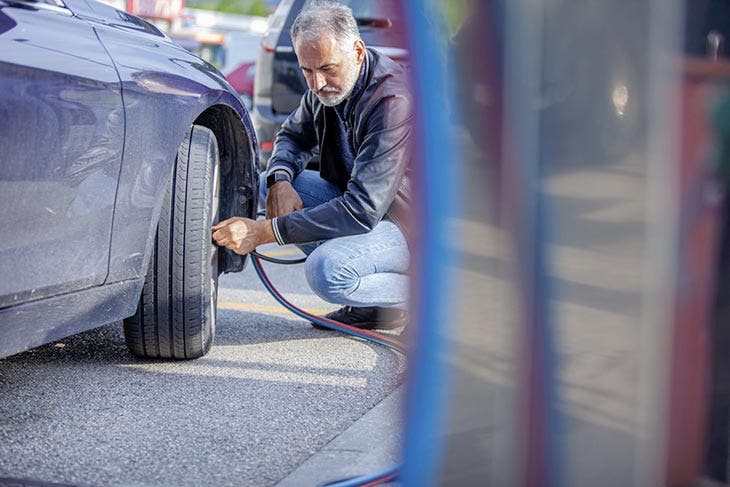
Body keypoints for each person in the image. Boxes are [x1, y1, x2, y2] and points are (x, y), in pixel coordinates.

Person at [212, 0, 412, 330]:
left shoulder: (392, 100)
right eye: (308, 71)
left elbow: (361, 209)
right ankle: (369, 307)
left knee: (327, 271)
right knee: (267, 184)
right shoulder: (325, 88)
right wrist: (280, 179)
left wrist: (265, 231)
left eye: (328, 69)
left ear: (358, 52)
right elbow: (292, 136)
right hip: (363, 207)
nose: (317, 83)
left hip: (405, 226)